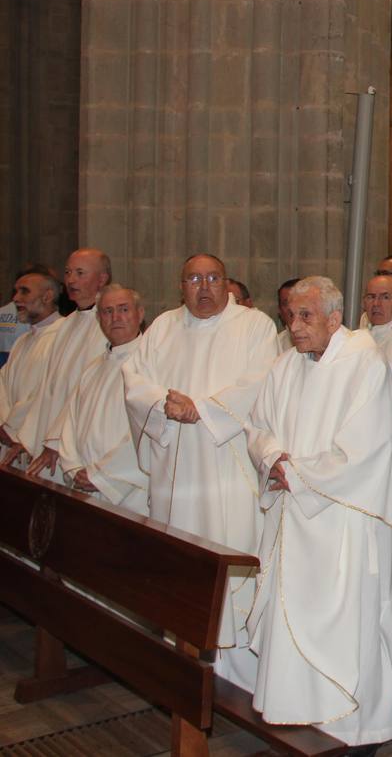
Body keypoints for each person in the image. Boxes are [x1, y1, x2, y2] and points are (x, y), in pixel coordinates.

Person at [245, 276, 392, 750]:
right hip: (293, 521)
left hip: (345, 524)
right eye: (291, 315)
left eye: (306, 316)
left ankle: (359, 730)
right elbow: (258, 424)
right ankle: (298, 711)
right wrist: (272, 456)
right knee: (292, 614)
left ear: (334, 319)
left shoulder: (364, 365)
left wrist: (297, 475)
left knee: (348, 628)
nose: (295, 326)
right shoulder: (285, 366)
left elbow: (364, 450)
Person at [122, 253, 280, 690]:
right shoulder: (164, 328)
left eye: (213, 278)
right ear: (181, 285)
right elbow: (135, 379)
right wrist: (161, 403)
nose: (204, 287)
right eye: (194, 278)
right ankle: (185, 669)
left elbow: (260, 383)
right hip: (176, 473)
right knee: (182, 566)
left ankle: (243, 680)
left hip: (229, 473)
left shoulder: (255, 327)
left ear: (227, 283)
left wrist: (204, 410)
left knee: (232, 560)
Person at [43, 284, 150, 513]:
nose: (115, 318)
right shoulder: (93, 368)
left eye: (123, 309)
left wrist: (103, 475)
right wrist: (73, 468)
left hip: (130, 492)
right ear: (99, 319)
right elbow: (70, 424)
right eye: (107, 311)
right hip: (84, 485)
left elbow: (148, 432)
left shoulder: (152, 364)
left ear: (140, 314)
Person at [14, 249, 114, 480]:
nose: (70, 280)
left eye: (80, 273)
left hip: (76, 441)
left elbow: (85, 390)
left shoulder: (107, 325)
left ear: (102, 279)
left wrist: (57, 439)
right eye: (68, 272)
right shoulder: (66, 325)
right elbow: (47, 387)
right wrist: (27, 436)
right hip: (49, 436)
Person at [0, 271, 65, 466]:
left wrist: (12, 426)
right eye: (16, 291)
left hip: (37, 438)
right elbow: (3, 383)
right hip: (8, 436)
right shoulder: (22, 340)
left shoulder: (63, 335)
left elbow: (46, 390)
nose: (16, 298)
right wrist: (4, 422)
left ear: (47, 296)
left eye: (24, 292)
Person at [275, 277, 299, 351]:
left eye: (298, 301)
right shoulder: (276, 346)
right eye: (286, 303)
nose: (291, 309)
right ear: (279, 310)